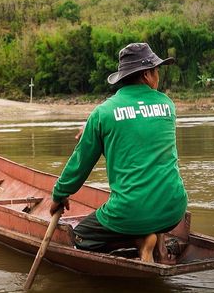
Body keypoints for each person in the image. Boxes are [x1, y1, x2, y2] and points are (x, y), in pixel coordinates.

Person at [50, 42, 187, 263]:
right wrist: (95, 128)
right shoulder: (167, 105)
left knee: (80, 238)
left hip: (131, 213)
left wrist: (59, 195)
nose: (158, 76)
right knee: (151, 190)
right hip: (173, 210)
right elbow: (140, 127)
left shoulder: (103, 113)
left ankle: (140, 241)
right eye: (156, 70)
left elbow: (80, 164)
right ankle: (155, 240)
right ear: (145, 75)